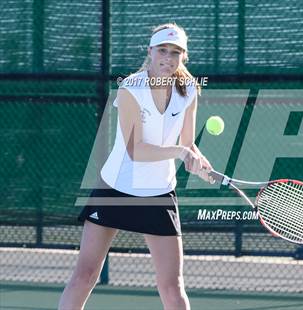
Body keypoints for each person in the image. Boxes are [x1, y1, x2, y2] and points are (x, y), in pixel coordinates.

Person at [58, 23, 213, 310]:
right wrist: (180, 152)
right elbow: (135, 149)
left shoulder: (189, 90)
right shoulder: (131, 88)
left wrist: (197, 161)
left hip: (159, 192)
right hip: (116, 187)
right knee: (86, 274)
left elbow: (188, 143)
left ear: (184, 57)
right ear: (150, 52)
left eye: (176, 52)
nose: (168, 57)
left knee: (172, 285)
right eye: (163, 50)